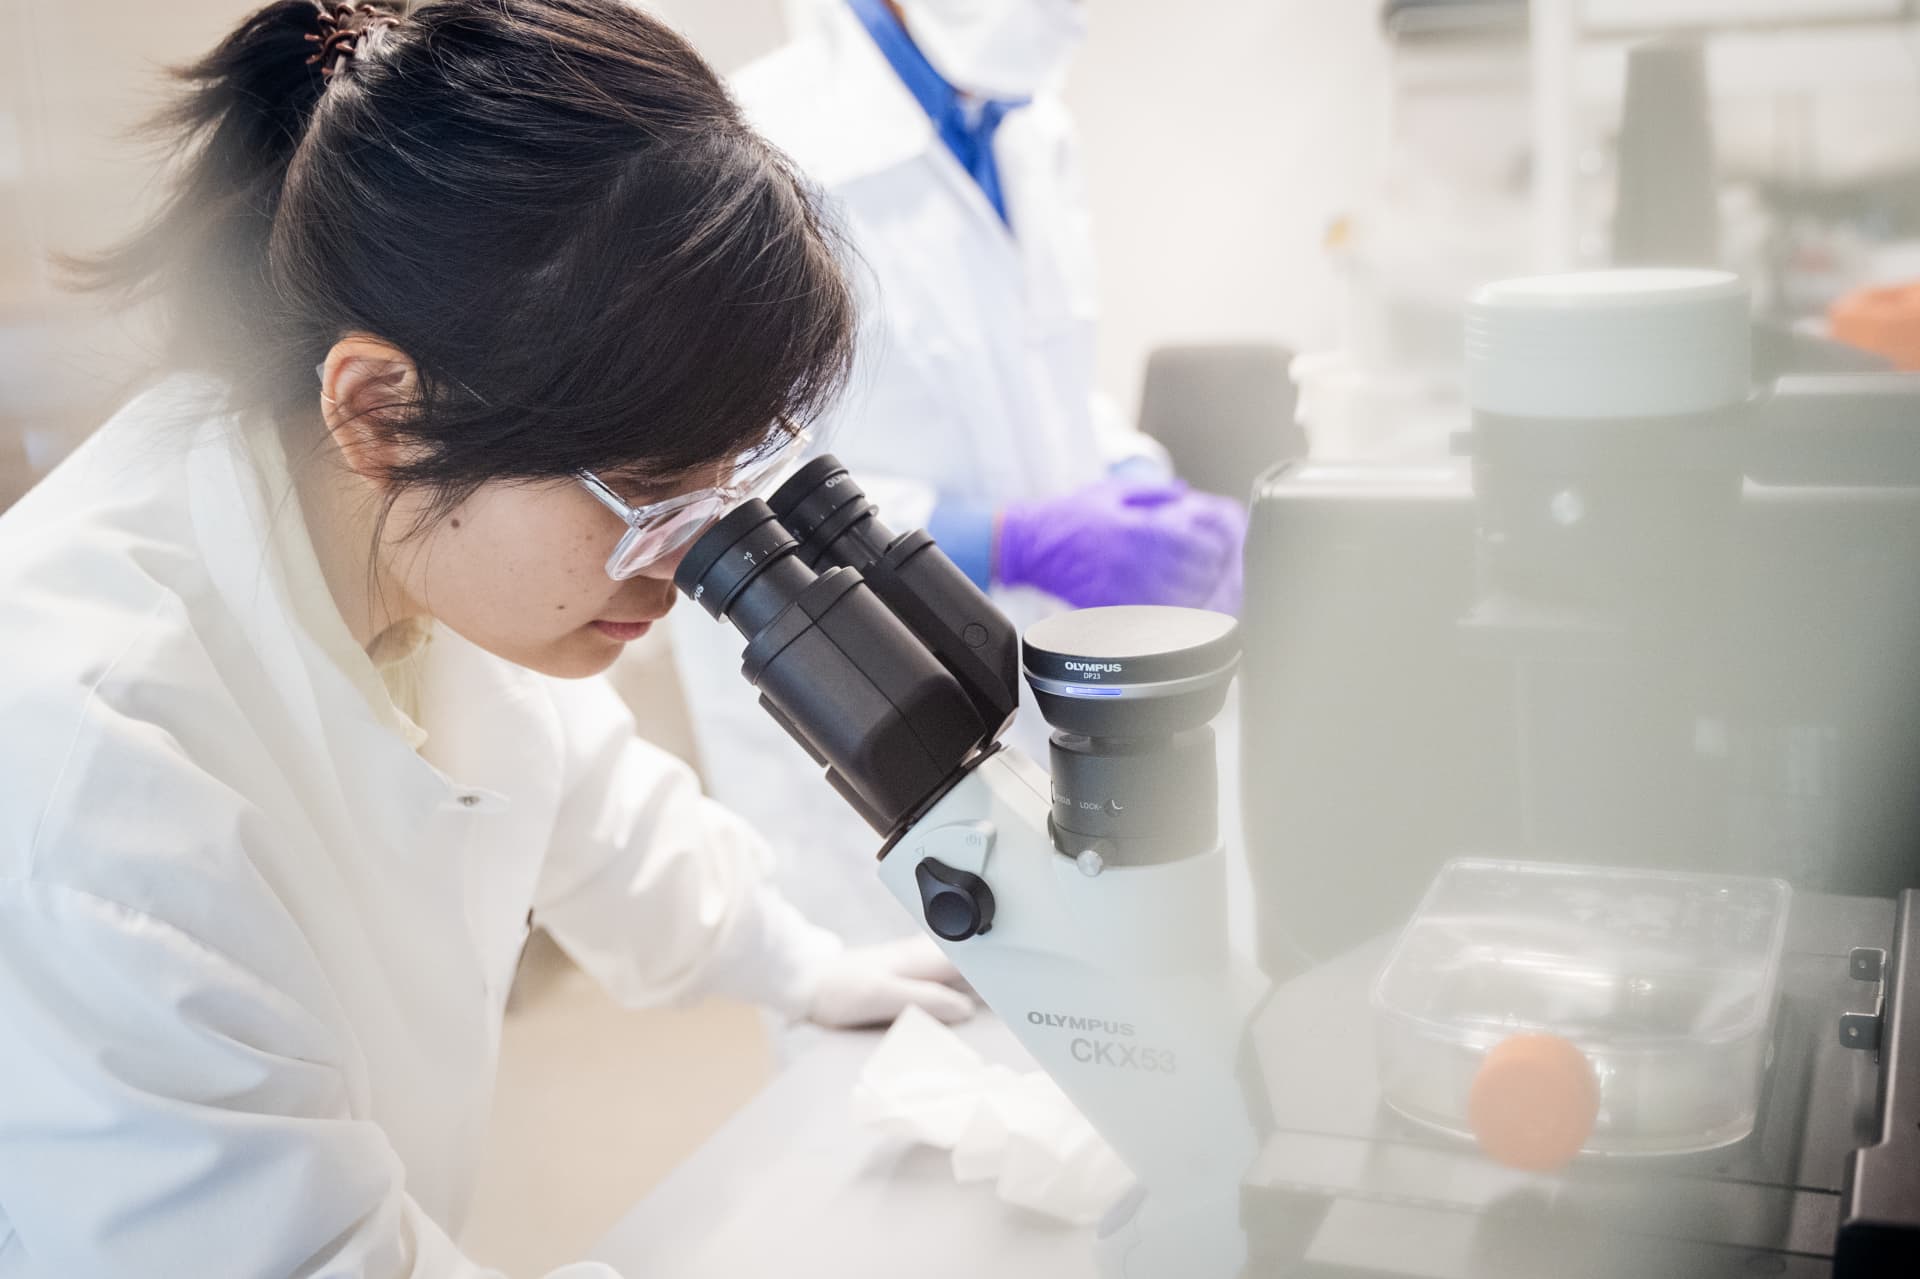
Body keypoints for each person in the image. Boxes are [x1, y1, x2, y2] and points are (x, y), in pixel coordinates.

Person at [0, 4, 976, 1276]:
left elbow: (588, 791)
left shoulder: (387, 519)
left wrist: (804, 965)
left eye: (722, 484)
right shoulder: (90, 754)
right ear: (380, 410)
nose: (687, 562)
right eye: (648, 491)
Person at [668, 0, 1247, 942]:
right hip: (859, 698)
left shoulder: (1027, 127)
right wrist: (1007, 537)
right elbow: (724, 477)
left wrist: (1140, 484)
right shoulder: (747, 145)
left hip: (1029, 678)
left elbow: (1045, 373)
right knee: (915, 1038)